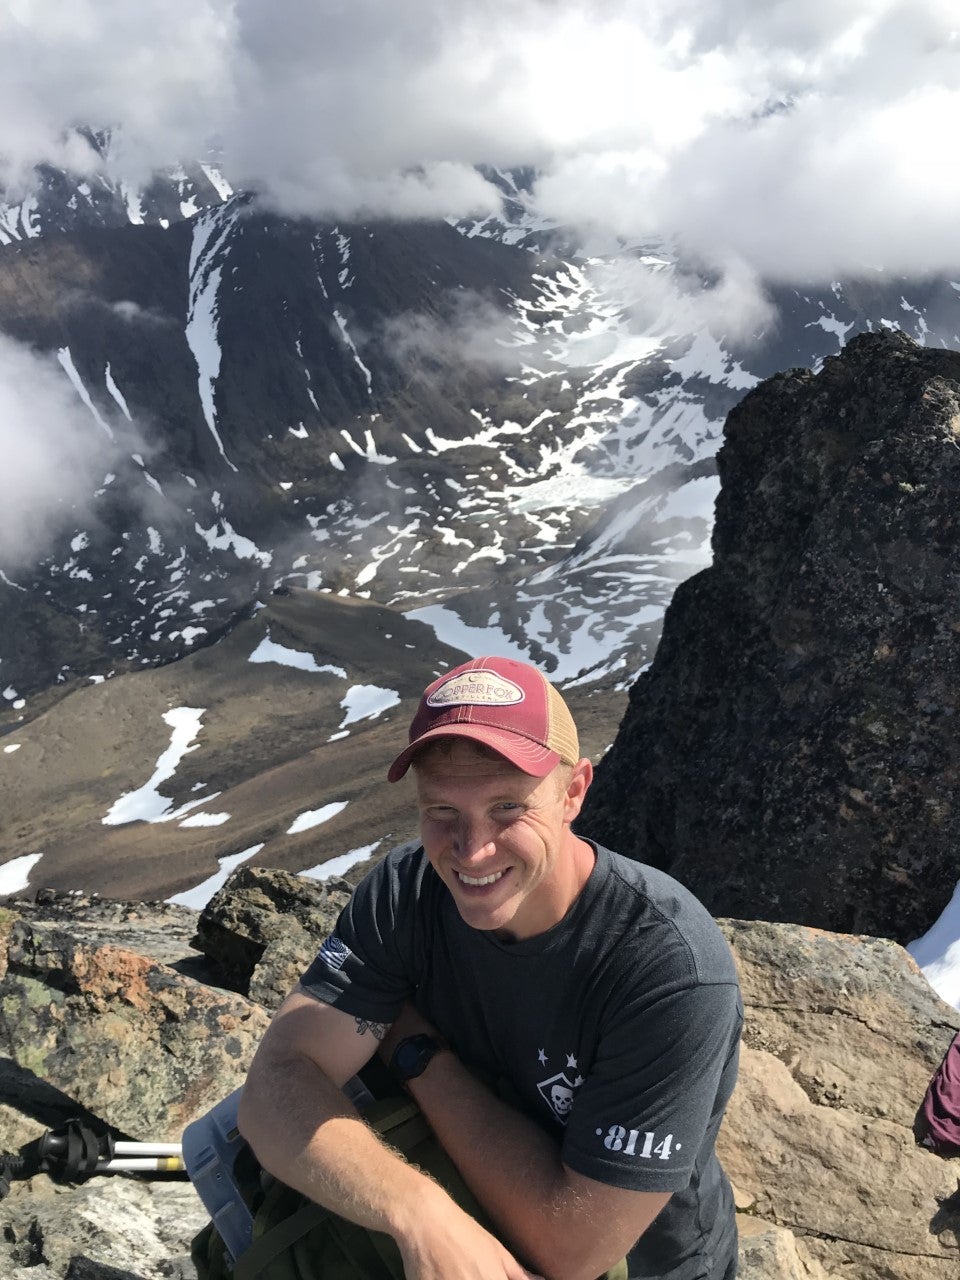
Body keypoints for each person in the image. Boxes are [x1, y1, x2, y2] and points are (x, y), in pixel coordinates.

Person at [238, 655, 743, 1280]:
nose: (471, 850)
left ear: (575, 791)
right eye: (441, 811)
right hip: (458, 1215)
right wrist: (417, 1210)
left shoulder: (667, 970)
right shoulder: (407, 891)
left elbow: (573, 1249)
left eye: (508, 807)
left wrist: (417, 1050)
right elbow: (275, 1084)